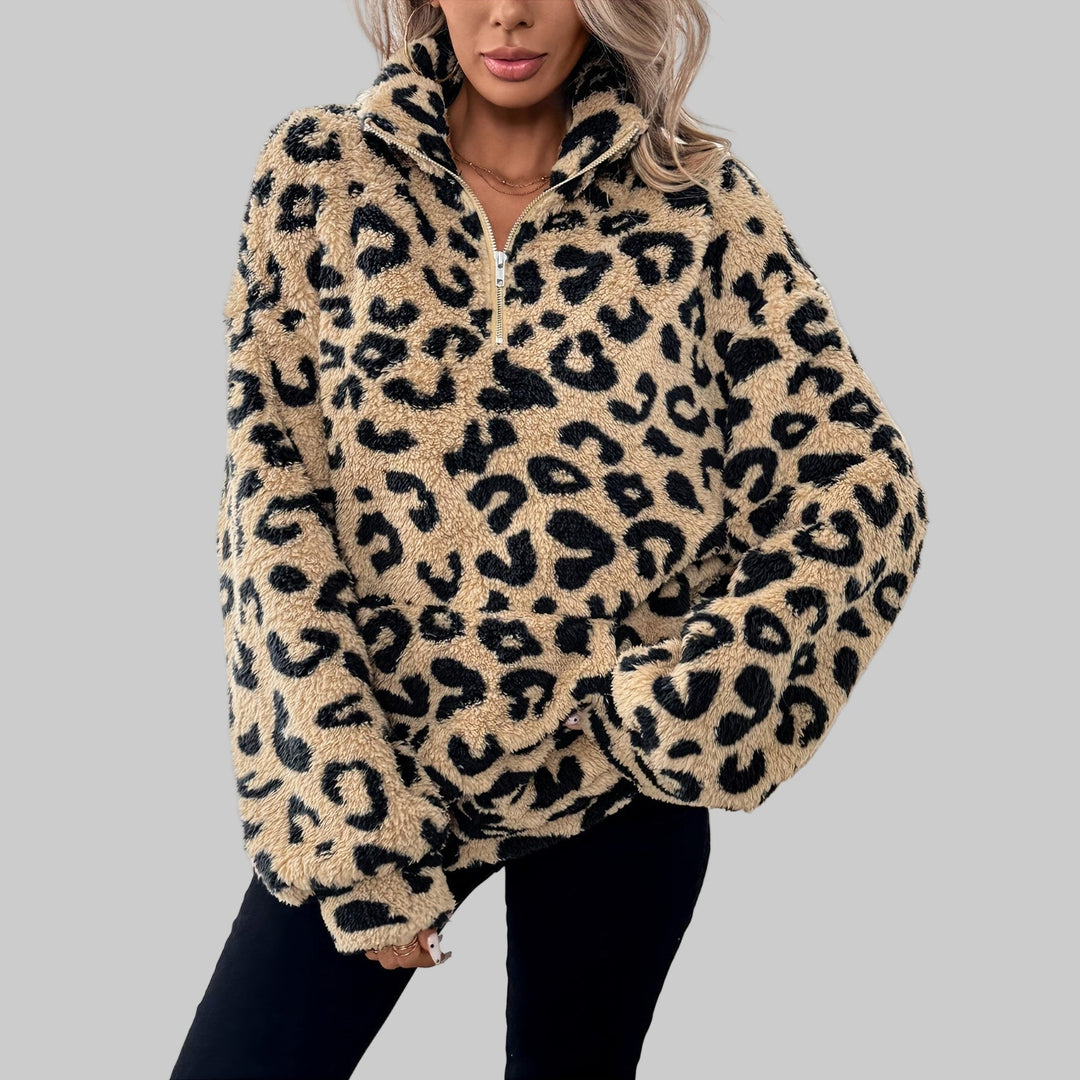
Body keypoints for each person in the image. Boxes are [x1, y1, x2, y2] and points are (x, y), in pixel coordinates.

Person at [171, 1, 929, 1076]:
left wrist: (687, 701)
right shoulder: (321, 175)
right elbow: (270, 507)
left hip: (612, 786)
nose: (510, 12)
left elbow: (862, 485)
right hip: (384, 770)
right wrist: (351, 822)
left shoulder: (699, 205)